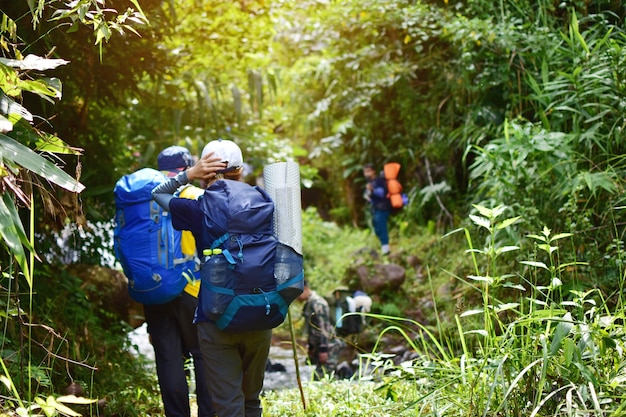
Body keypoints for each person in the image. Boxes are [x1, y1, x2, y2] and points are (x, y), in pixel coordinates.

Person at [151, 139, 271, 417]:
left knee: (228, 406)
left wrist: (188, 175)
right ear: (240, 170)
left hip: (217, 318)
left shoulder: (199, 207)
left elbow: (158, 193)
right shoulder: (265, 201)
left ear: (207, 172)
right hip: (262, 313)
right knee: (251, 401)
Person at [142, 145, 215, 417]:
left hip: (154, 287)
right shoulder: (194, 195)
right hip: (191, 288)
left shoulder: (144, 198)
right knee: (202, 354)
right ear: (188, 169)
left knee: (168, 358)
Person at [297, 281, 346, 379]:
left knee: (321, 377)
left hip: (330, 346)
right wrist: (311, 348)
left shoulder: (318, 303)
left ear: (305, 288)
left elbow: (324, 328)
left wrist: (323, 350)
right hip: (321, 346)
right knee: (323, 376)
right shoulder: (309, 304)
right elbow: (311, 329)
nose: (296, 297)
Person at [363, 163, 392, 255]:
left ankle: (385, 247)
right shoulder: (369, 183)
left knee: (381, 225)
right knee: (377, 228)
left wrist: (372, 190)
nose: (367, 174)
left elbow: (382, 193)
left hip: (383, 207)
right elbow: (366, 195)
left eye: (368, 171)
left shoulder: (379, 180)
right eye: (365, 172)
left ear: (373, 171)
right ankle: (383, 245)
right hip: (375, 208)